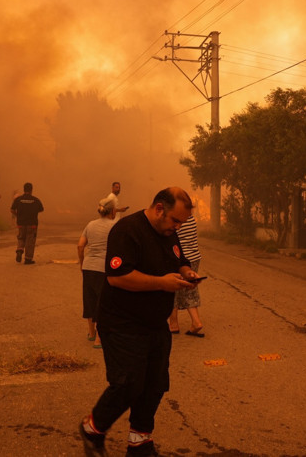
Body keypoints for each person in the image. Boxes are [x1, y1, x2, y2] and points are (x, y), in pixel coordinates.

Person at [79, 187, 201, 457]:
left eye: (181, 222)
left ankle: (139, 440)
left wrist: (186, 272)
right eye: (175, 220)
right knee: (128, 383)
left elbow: (178, 259)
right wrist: (162, 283)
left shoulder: (169, 233)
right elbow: (117, 277)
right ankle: (92, 428)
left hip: (155, 324)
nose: (177, 227)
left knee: (155, 383)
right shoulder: (127, 230)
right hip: (122, 322)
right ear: (159, 209)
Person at [76, 198, 117, 349]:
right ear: (112, 211)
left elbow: (80, 246)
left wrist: (82, 264)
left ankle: (91, 332)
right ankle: (99, 339)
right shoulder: (114, 226)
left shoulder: (90, 225)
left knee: (90, 298)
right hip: (103, 268)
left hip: (88, 267)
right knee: (103, 301)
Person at [168, 214, 204, 337]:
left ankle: (173, 324)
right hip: (194, 257)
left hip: (180, 258)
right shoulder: (191, 218)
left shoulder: (175, 220)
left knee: (173, 289)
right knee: (190, 289)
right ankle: (196, 322)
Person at [10, 182, 44, 264]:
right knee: (30, 240)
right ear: (31, 190)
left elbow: (12, 210)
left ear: (24, 189)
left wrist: (18, 215)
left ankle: (19, 249)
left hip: (21, 223)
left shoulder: (18, 199)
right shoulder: (36, 200)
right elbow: (41, 209)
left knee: (21, 237)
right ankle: (28, 258)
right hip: (32, 224)